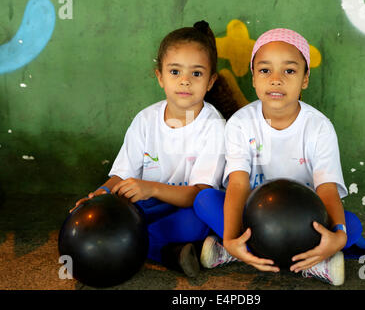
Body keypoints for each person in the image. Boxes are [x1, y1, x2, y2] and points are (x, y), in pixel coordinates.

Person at [193, 28, 365, 286]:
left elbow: (326, 187)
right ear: (254, 77)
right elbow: (238, 184)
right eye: (265, 70)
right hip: (253, 219)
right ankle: (287, 259)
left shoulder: (319, 127)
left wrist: (340, 235)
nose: (276, 79)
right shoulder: (240, 123)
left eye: (289, 71)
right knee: (205, 200)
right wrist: (233, 237)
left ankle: (245, 255)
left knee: (351, 226)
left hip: (302, 223)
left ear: (305, 79)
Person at [71, 20, 239, 278]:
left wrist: (151, 188)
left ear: (210, 81)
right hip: (146, 207)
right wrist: (100, 195)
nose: (184, 81)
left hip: (186, 209)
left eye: (196, 74)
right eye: (174, 72)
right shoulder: (145, 120)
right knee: (108, 222)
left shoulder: (214, 126)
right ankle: (175, 253)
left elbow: (198, 195)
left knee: (194, 223)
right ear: (160, 76)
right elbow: (121, 175)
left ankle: (167, 250)